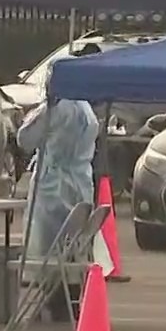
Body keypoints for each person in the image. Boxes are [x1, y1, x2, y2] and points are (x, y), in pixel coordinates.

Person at [18, 96, 99, 315]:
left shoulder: (54, 109)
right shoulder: (87, 109)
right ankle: (70, 299)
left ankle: (51, 300)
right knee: (73, 246)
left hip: (51, 185)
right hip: (81, 182)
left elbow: (25, 139)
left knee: (45, 246)